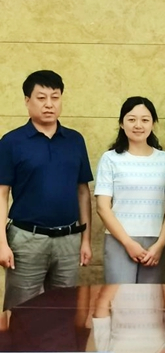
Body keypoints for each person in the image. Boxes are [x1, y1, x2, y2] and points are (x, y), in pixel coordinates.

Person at [0, 70, 93, 310]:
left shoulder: (75, 140)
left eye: (55, 97)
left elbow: (83, 192)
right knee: (21, 311)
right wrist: (2, 243)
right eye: (41, 98)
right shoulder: (11, 142)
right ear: (27, 101)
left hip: (69, 240)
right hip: (26, 240)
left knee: (63, 310)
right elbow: (1, 195)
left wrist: (85, 240)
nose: (49, 104)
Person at [95, 96, 165, 284]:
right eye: (132, 119)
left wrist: (161, 244)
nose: (138, 125)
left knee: (150, 299)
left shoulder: (164, 160)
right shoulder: (110, 159)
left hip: (155, 243)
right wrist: (128, 243)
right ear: (121, 123)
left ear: (153, 124)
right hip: (119, 240)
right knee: (120, 298)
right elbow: (102, 207)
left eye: (145, 120)